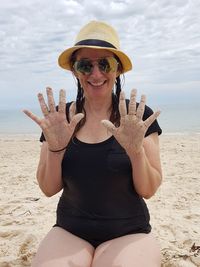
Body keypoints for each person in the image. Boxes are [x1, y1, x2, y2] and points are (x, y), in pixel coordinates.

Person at [24, 20, 162, 267]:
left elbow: (149, 190)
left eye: (105, 64)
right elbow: (48, 188)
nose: (96, 74)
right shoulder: (59, 119)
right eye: (85, 65)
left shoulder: (137, 117)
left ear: (118, 69)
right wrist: (55, 150)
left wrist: (135, 152)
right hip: (70, 230)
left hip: (129, 231)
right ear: (75, 71)